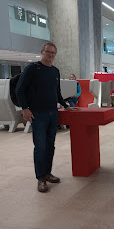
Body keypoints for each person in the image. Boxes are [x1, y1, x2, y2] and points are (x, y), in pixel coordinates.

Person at [16, 42, 80, 193]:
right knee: (40, 147)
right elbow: (20, 89)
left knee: (50, 145)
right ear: (42, 52)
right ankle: (40, 179)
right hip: (38, 114)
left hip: (53, 113)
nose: (51, 55)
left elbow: (56, 92)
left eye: (53, 53)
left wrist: (66, 106)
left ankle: (48, 173)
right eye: (48, 52)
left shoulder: (55, 71)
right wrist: (25, 109)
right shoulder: (33, 68)